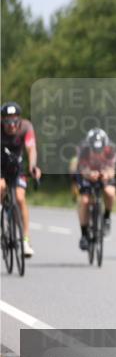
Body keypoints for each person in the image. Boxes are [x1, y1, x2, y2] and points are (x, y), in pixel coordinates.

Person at [0, 102, 42, 257]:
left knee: (20, 198)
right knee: (1, 186)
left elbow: (31, 148)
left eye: (14, 122)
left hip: (17, 166)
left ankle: (25, 240)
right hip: (0, 165)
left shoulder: (26, 127)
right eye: (7, 122)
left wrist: (33, 166)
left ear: (19, 120)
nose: (11, 126)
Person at [74, 128, 116, 250]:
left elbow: (112, 170)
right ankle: (84, 234)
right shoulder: (83, 150)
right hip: (86, 174)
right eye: (95, 150)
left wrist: (106, 175)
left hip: (104, 173)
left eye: (100, 149)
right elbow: (82, 169)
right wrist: (89, 174)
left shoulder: (111, 150)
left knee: (110, 192)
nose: (97, 152)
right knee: (85, 201)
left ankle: (107, 217)